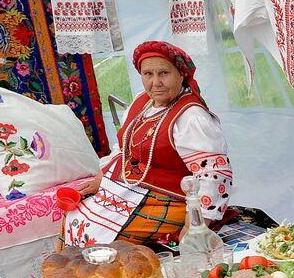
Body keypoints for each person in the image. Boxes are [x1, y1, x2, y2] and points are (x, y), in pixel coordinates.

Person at [64, 41, 232, 246]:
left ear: (181, 74)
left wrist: (194, 226)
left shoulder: (191, 117)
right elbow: (124, 148)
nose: (156, 83)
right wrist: (102, 177)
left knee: (105, 240)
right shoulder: (141, 103)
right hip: (136, 188)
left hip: (173, 198)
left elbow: (214, 176)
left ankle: (113, 277)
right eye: (148, 74)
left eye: (164, 73)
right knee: (74, 218)